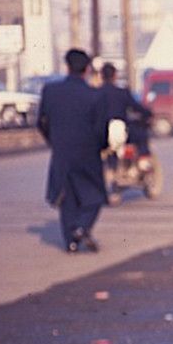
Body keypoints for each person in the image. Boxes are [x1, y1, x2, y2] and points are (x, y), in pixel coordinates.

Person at [37, 49, 109, 253]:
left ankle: (70, 241)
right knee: (94, 195)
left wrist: (54, 141)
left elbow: (41, 122)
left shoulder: (50, 91)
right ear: (87, 69)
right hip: (88, 153)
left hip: (61, 152)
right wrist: (102, 147)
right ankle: (81, 227)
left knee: (67, 197)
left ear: (67, 66)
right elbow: (101, 129)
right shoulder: (95, 95)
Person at [99, 62, 151, 157]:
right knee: (142, 135)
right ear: (115, 75)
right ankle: (143, 163)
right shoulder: (122, 93)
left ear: (101, 76)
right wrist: (149, 113)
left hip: (101, 134)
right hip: (124, 131)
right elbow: (138, 108)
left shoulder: (94, 93)